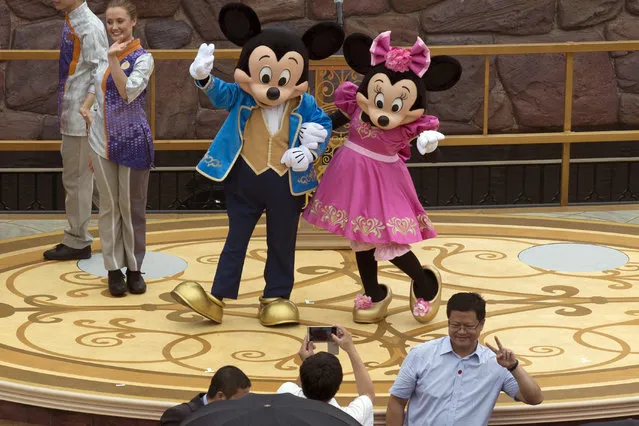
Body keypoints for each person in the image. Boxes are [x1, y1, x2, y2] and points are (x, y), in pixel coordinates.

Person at [170, 3, 343, 326]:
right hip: (244, 178)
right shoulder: (242, 95)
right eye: (265, 76)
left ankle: (276, 296)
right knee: (236, 239)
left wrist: (311, 150)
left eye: (284, 78)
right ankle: (217, 297)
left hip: (285, 181)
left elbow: (323, 127)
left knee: (281, 241)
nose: (273, 87)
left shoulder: (304, 103)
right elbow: (221, 94)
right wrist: (204, 78)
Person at [302, 31, 463, 324]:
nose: (384, 113)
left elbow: (428, 147)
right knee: (360, 238)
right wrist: (312, 131)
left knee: (388, 238)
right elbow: (330, 122)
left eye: (396, 106)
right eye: (378, 100)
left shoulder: (407, 128)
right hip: (349, 180)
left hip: (384, 182)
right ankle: (374, 292)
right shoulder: (354, 107)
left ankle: (426, 283)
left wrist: (430, 144)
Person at [386, 292, 544, 426]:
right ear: (448, 322)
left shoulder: (496, 364)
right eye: (455, 325)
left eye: (468, 326)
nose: (461, 332)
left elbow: (535, 399)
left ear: (481, 324)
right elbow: (397, 401)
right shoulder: (421, 354)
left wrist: (514, 367)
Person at [87, 0, 155, 296]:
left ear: (133, 22)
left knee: (132, 208)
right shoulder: (104, 54)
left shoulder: (144, 58)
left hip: (133, 142)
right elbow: (95, 86)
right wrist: (85, 107)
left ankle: (135, 268)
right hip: (101, 140)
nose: (114, 27)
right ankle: (113, 270)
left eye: (119, 21)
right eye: (109, 22)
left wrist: (114, 59)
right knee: (108, 207)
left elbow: (128, 93)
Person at [44, 0, 108, 261]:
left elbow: (101, 69)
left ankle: (78, 240)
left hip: (81, 116)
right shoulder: (73, 19)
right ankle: (122, 231)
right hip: (72, 113)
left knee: (78, 181)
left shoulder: (90, 25)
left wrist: (86, 106)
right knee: (88, 183)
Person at [277, 325, 375, 426]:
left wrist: (307, 362)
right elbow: (367, 394)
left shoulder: (285, 391)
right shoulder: (350, 417)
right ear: (338, 385)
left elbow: (295, 390)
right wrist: (350, 349)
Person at [160, 365, 251, 426]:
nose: (242, 404)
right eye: (238, 400)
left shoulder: (236, 419)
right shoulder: (179, 415)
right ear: (220, 396)